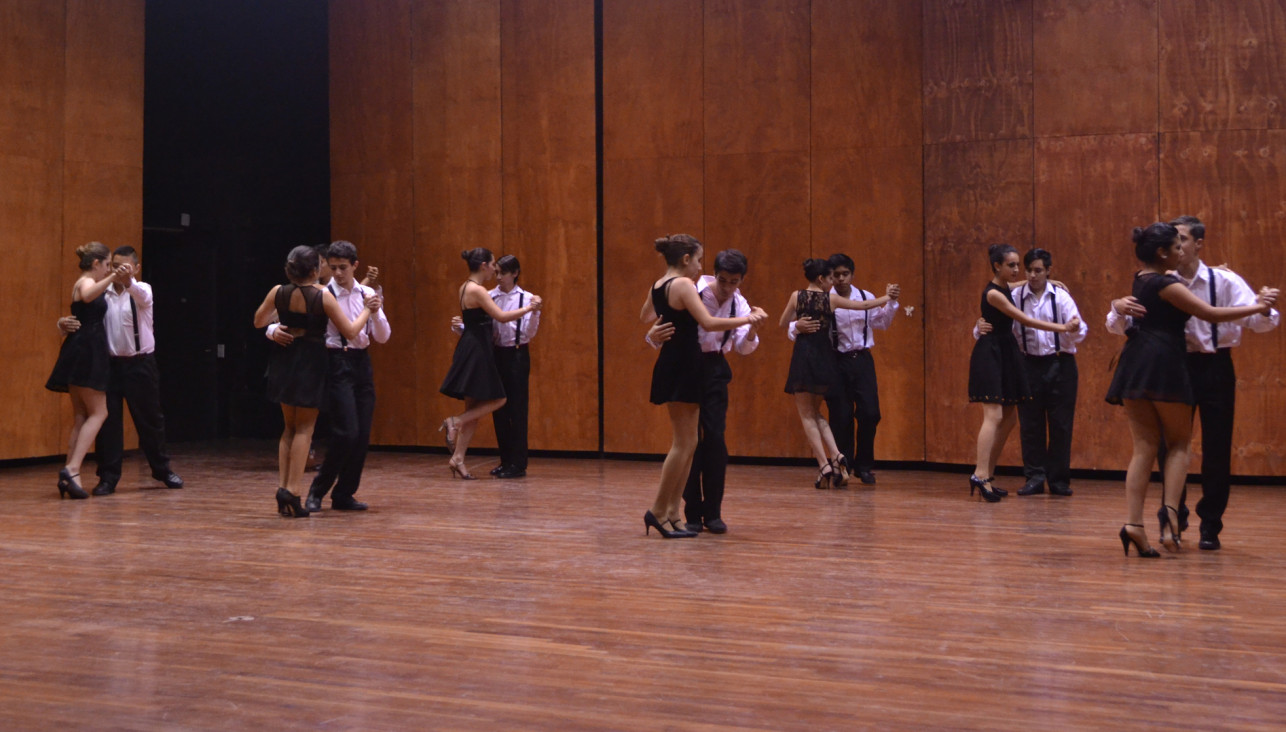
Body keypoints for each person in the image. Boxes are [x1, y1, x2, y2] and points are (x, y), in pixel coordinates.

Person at [1107, 216, 1279, 550]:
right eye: (1174, 242)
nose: (1179, 247)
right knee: (1173, 446)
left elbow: (1258, 322)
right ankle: (1172, 520)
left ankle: (1197, 526)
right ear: (1162, 251)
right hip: (1170, 366)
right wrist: (1115, 307)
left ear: (1198, 243)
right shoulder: (1165, 281)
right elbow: (1209, 314)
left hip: (1203, 366)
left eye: (1183, 240)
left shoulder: (1217, 279)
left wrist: (1263, 309)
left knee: (1205, 449)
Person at [640, 235, 766, 538]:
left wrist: (748, 327)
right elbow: (707, 323)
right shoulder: (685, 285)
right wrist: (747, 318)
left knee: (696, 443)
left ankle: (673, 513)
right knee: (684, 444)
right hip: (685, 364)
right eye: (698, 259)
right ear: (686, 259)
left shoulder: (659, 283)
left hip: (693, 365)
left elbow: (646, 314)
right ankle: (660, 510)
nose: (700, 266)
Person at [253, 245, 379, 518]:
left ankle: (283, 487)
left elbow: (259, 321)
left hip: (284, 360)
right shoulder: (322, 296)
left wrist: (277, 327)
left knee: (288, 428)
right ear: (314, 270)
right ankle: (294, 491)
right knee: (304, 429)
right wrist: (368, 311)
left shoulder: (278, 291)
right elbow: (350, 330)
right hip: (311, 362)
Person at [56, 246, 184, 495]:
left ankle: (161, 469)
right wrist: (62, 323)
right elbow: (85, 315)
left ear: (136, 268)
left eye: (125, 266)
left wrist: (126, 280)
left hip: (140, 364)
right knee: (108, 424)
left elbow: (141, 296)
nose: (118, 270)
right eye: (114, 266)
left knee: (150, 420)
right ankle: (108, 476)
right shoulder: (102, 292)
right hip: (109, 365)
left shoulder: (142, 289)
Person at [967, 244, 1080, 503]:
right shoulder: (997, 294)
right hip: (993, 355)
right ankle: (980, 475)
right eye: (1013, 266)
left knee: (1009, 419)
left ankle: (988, 475)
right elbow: (1026, 320)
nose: (1021, 272)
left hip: (1009, 355)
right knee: (994, 416)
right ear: (997, 266)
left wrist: (1051, 280)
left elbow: (1018, 285)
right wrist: (1062, 328)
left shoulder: (1009, 287)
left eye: (1025, 267)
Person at [778, 257, 894, 490]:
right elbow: (791, 325)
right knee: (832, 415)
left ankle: (837, 462)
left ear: (851, 274)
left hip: (834, 358)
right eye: (833, 276)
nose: (837, 280)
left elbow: (783, 322)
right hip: (831, 359)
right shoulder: (831, 299)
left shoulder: (798, 295)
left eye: (843, 275)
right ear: (822, 278)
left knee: (819, 414)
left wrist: (889, 302)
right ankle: (840, 459)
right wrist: (887, 297)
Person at [303, 240, 390, 512]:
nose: (338, 273)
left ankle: (344, 494)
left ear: (355, 265)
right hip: (336, 361)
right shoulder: (324, 293)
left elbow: (383, 337)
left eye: (343, 267)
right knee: (346, 432)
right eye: (333, 267)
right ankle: (317, 490)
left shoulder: (366, 292)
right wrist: (272, 331)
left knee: (362, 434)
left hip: (361, 362)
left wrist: (375, 312)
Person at [439, 248, 541, 480]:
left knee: (499, 407)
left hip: (507, 354)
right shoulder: (483, 292)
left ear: (515, 274)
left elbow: (479, 325)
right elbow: (499, 319)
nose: (496, 273)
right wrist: (530, 309)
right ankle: (458, 425)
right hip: (485, 353)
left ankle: (460, 457)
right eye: (494, 267)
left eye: (502, 271)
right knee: (497, 404)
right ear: (484, 266)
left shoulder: (469, 288)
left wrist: (533, 311)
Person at [46, 242, 127, 499]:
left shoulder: (87, 283)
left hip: (80, 350)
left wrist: (61, 323)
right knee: (99, 411)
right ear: (96, 264)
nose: (108, 270)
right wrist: (115, 275)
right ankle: (72, 469)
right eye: (106, 265)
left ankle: (70, 474)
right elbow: (89, 295)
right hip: (87, 352)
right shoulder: (85, 282)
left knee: (82, 415)